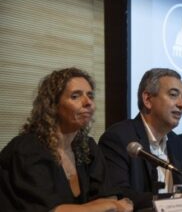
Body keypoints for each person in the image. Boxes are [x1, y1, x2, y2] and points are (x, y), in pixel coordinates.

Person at [0, 67, 133, 212]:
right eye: (75, 96)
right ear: (52, 105)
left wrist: (108, 204)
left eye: (90, 96)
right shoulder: (28, 149)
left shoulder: (88, 148)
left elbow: (108, 197)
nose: (88, 102)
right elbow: (52, 210)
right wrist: (110, 206)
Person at [99, 68, 182, 211]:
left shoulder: (174, 140)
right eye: (173, 95)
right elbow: (119, 195)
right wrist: (176, 199)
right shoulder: (119, 137)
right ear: (148, 99)